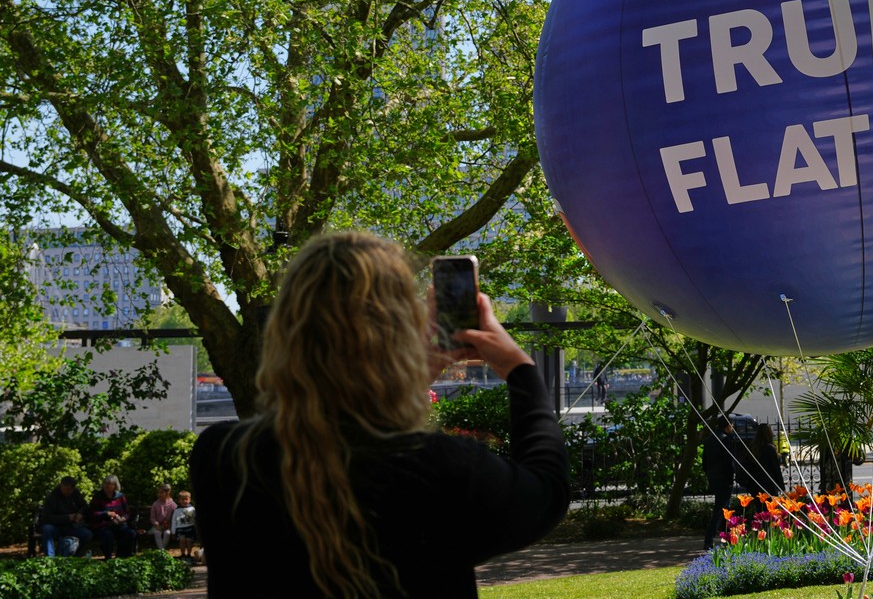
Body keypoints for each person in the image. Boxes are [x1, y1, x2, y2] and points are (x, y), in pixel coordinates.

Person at [189, 230, 569, 599]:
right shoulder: (441, 469)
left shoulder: (223, 459)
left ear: (286, 330)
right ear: (399, 333)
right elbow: (545, 490)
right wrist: (521, 369)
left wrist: (402, 375)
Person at [701, 415, 745, 548]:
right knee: (721, 510)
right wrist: (734, 474)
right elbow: (729, 461)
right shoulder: (725, 439)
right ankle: (709, 540)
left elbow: (704, 462)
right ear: (728, 425)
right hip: (724, 478)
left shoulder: (710, 439)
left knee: (725, 508)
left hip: (713, 477)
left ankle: (729, 538)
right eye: (731, 425)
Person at [38, 476, 93, 557]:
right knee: (47, 529)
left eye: (70, 490)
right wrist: (67, 517)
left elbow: (84, 506)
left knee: (87, 534)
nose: (68, 492)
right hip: (56, 527)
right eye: (66, 489)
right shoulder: (52, 497)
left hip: (72, 527)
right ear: (61, 485)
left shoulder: (75, 493)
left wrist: (80, 514)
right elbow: (47, 517)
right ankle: (50, 558)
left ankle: (72, 554)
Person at [86, 475, 136, 558]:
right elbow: (92, 514)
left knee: (130, 533)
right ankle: (108, 557)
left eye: (110, 484)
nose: (107, 486)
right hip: (103, 525)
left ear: (115, 486)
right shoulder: (98, 496)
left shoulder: (120, 497)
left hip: (119, 524)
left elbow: (127, 513)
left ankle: (122, 557)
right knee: (107, 536)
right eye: (106, 483)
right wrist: (106, 514)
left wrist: (122, 519)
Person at [745, 422, 786, 499]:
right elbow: (775, 469)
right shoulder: (770, 448)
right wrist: (781, 486)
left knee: (759, 507)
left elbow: (748, 464)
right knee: (770, 508)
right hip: (768, 484)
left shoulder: (752, 447)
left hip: (755, 484)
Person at [170, 490, 198, 560]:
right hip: (180, 528)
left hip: (190, 527)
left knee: (189, 541)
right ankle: (183, 554)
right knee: (182, 540)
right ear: (179, 500)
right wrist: (173, 532)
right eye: (182, 499)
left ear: (189, 500)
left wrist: (196, 529)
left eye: (186, 499)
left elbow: (195, 519)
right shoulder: (177, 510)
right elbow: (174, 521)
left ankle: (189, 554)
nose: (184, 501)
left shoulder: (192, 509)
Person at [149, 483, 177, 550]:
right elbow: (152, 517)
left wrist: (170, 525)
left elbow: (175, 517)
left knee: (167, 533)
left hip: (168, 526)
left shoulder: (173, 504)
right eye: (158, 493)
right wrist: (156, 524)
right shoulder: (155, 504)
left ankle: (162, 550)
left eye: (161, 493)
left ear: (167, 493)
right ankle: (162, 550)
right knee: (157, 532)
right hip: (158, 526)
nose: (159, 494)